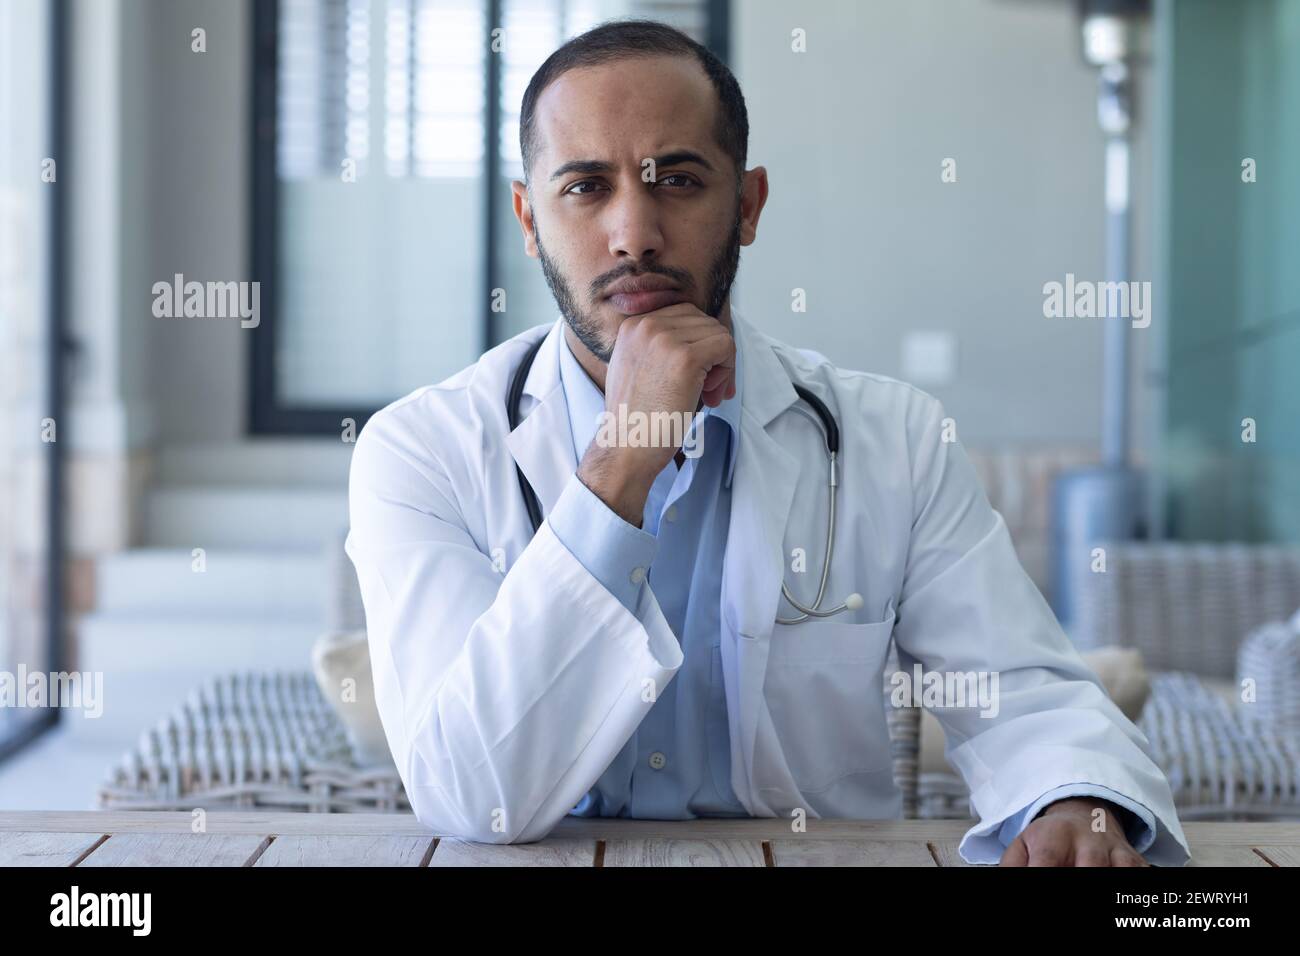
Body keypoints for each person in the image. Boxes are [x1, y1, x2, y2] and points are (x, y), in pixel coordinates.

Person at [345, 18, 1189, 866]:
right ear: (530, 220)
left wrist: (1070, 798)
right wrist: (625, 457)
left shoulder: (892, 441)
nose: (634, 233)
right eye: (586, 187)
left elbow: (1019, 690)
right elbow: (469, 793)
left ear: (746, 207)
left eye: (676, 180)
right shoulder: (421, 450)